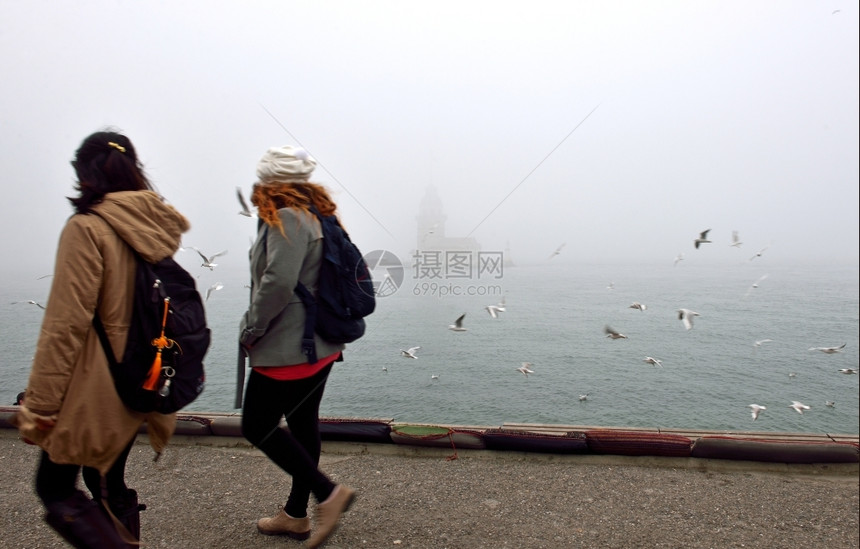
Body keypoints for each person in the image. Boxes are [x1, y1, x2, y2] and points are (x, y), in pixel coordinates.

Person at [14, 130, 190, 548]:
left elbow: (64, 325)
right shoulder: (153, 226)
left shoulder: (88, 228)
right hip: (145, 374)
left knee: (55, 487)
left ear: (85, 174)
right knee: (106, 477)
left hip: (99, 383)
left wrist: (39, 405)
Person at [239, 145, 356, 548]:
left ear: (269, 180)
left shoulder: (286, 217)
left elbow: (276, 283)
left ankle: (328, 493)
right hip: (322, 344)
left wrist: (251, 328)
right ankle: (295, 516)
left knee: (256, 425)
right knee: (304, 423)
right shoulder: (318, 214)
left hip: (289, 349)